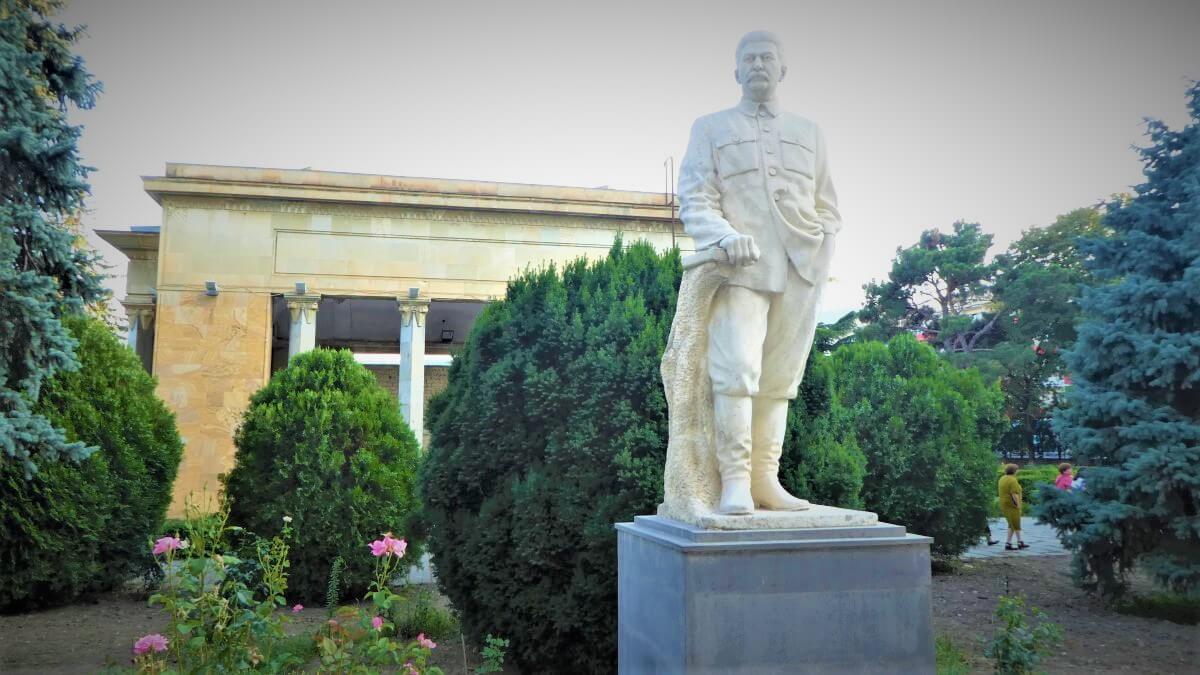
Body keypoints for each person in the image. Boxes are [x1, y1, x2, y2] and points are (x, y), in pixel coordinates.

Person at [677, 30, 841, 514]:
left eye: (767, 57)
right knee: (736, 374)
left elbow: (828, 205)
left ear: (782, 69)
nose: (758, 64)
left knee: (779, 380)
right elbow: (695, 198)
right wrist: (722, 236)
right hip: (739, 269)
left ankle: (765, 480)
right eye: (748, 58)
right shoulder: (710, 128)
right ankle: (734, 483)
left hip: (801, 269)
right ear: (736, 70)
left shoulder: (811, 132)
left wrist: (823, 247)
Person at [998, 464, 1028, 550]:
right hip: (1012, 504)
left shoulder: (1002, 478)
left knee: (1012, 524)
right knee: (1015, 523)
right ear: (1014, 471)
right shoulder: (1012, 480)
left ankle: (1013, 543)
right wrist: (1018, 504)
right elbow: (1014, 494)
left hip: (1004, 503)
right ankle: (1015, 543)